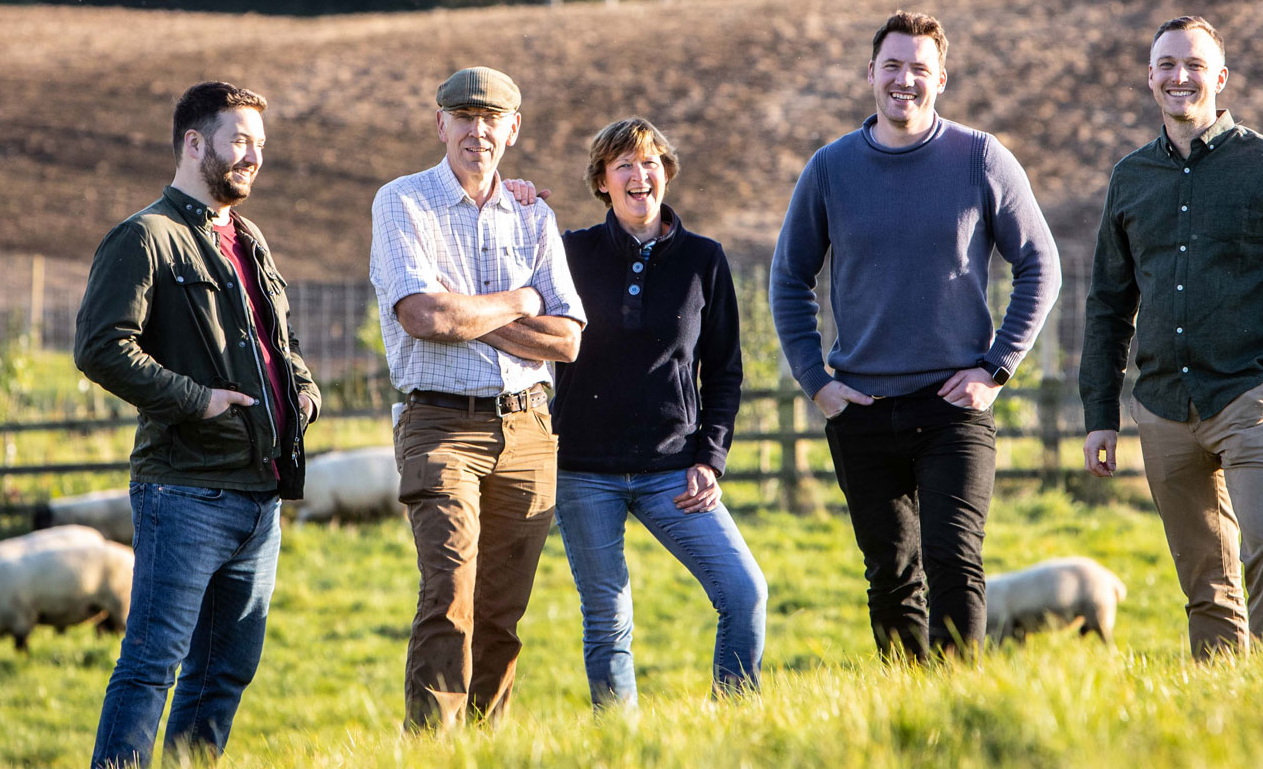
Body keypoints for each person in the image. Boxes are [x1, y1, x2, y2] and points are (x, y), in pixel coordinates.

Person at [770, 9, 1062, 660]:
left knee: (954, 560)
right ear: (871, 73)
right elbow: (789, 277)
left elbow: (1041, 264)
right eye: (893, 66)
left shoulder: (980, 158)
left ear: (941, 77)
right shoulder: (829, 168)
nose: (905, 80)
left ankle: (955, 705)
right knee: (891, 575)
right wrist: (816, 382)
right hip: (862, 410)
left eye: (919, 68)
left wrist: (996, 367)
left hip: (954, 406)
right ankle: (908, 707)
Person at [1081, 16, 1263, 659]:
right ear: (1150, 78)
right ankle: (1221, 710)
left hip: (1249, 399)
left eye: (1194, 65)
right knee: (1206, 584)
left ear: (1220, 77)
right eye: (1167, 65)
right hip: (1165, 410)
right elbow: (1108, 306)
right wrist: (1100, 416)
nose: (1180, 76)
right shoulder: (1130, 178)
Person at [75, 81, 320, 769]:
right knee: (153, 664)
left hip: (259, 494)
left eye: (260, 145)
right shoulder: (144, 237)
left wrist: (302, 390)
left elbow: (281, 340)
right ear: (193, 142)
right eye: (240, 140)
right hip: (183, 493)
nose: (254, 157)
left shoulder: (248, 237)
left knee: (223, 674)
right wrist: (196, 399)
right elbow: (101, 347)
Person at [369, 66, 586, 730]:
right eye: (464, 117)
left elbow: (569, 338)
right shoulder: (402, 203)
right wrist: (522, 302)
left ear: (513, 129)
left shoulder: (533, 214)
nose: (478, 131)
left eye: (492, 119)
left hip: (528, 430)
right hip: (439, 427)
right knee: (450, 594)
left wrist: (472, 314)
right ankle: (434, 745)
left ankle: (486, 743)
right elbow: (426, 320)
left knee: (501, 611)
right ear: (440, 124)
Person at [548, 117, 766, 708]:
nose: (639, 175)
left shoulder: (705, 260)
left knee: (744, 592)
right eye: (623, 165)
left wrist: (711, 459)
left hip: (674, 470)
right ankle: (622, 747)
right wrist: (523, 203)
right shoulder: (568, 251)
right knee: (608, 622)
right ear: (602, 181)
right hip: (582, 470)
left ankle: (737, 725)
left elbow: (724, 372)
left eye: (650, 163)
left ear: (666, 173)